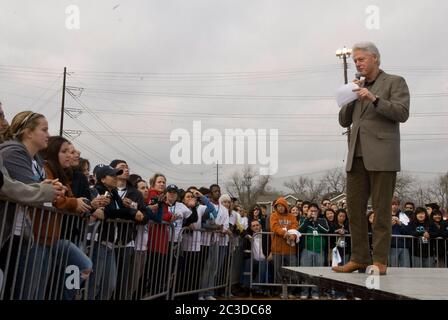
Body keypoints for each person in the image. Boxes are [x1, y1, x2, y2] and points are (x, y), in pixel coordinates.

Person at [334, 42, 410, 276]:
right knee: (354, 210)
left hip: (383, 156)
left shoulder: (395, 82)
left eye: (361, 59)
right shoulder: (356, 87)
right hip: (356, 155)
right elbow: (343, 121)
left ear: (375, 58)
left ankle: (379, 261)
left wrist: (374, 98)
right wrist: (352, 96)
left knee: (381, 210)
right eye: (355, 60)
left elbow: (402, 113)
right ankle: (358, 258)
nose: (357, 63)